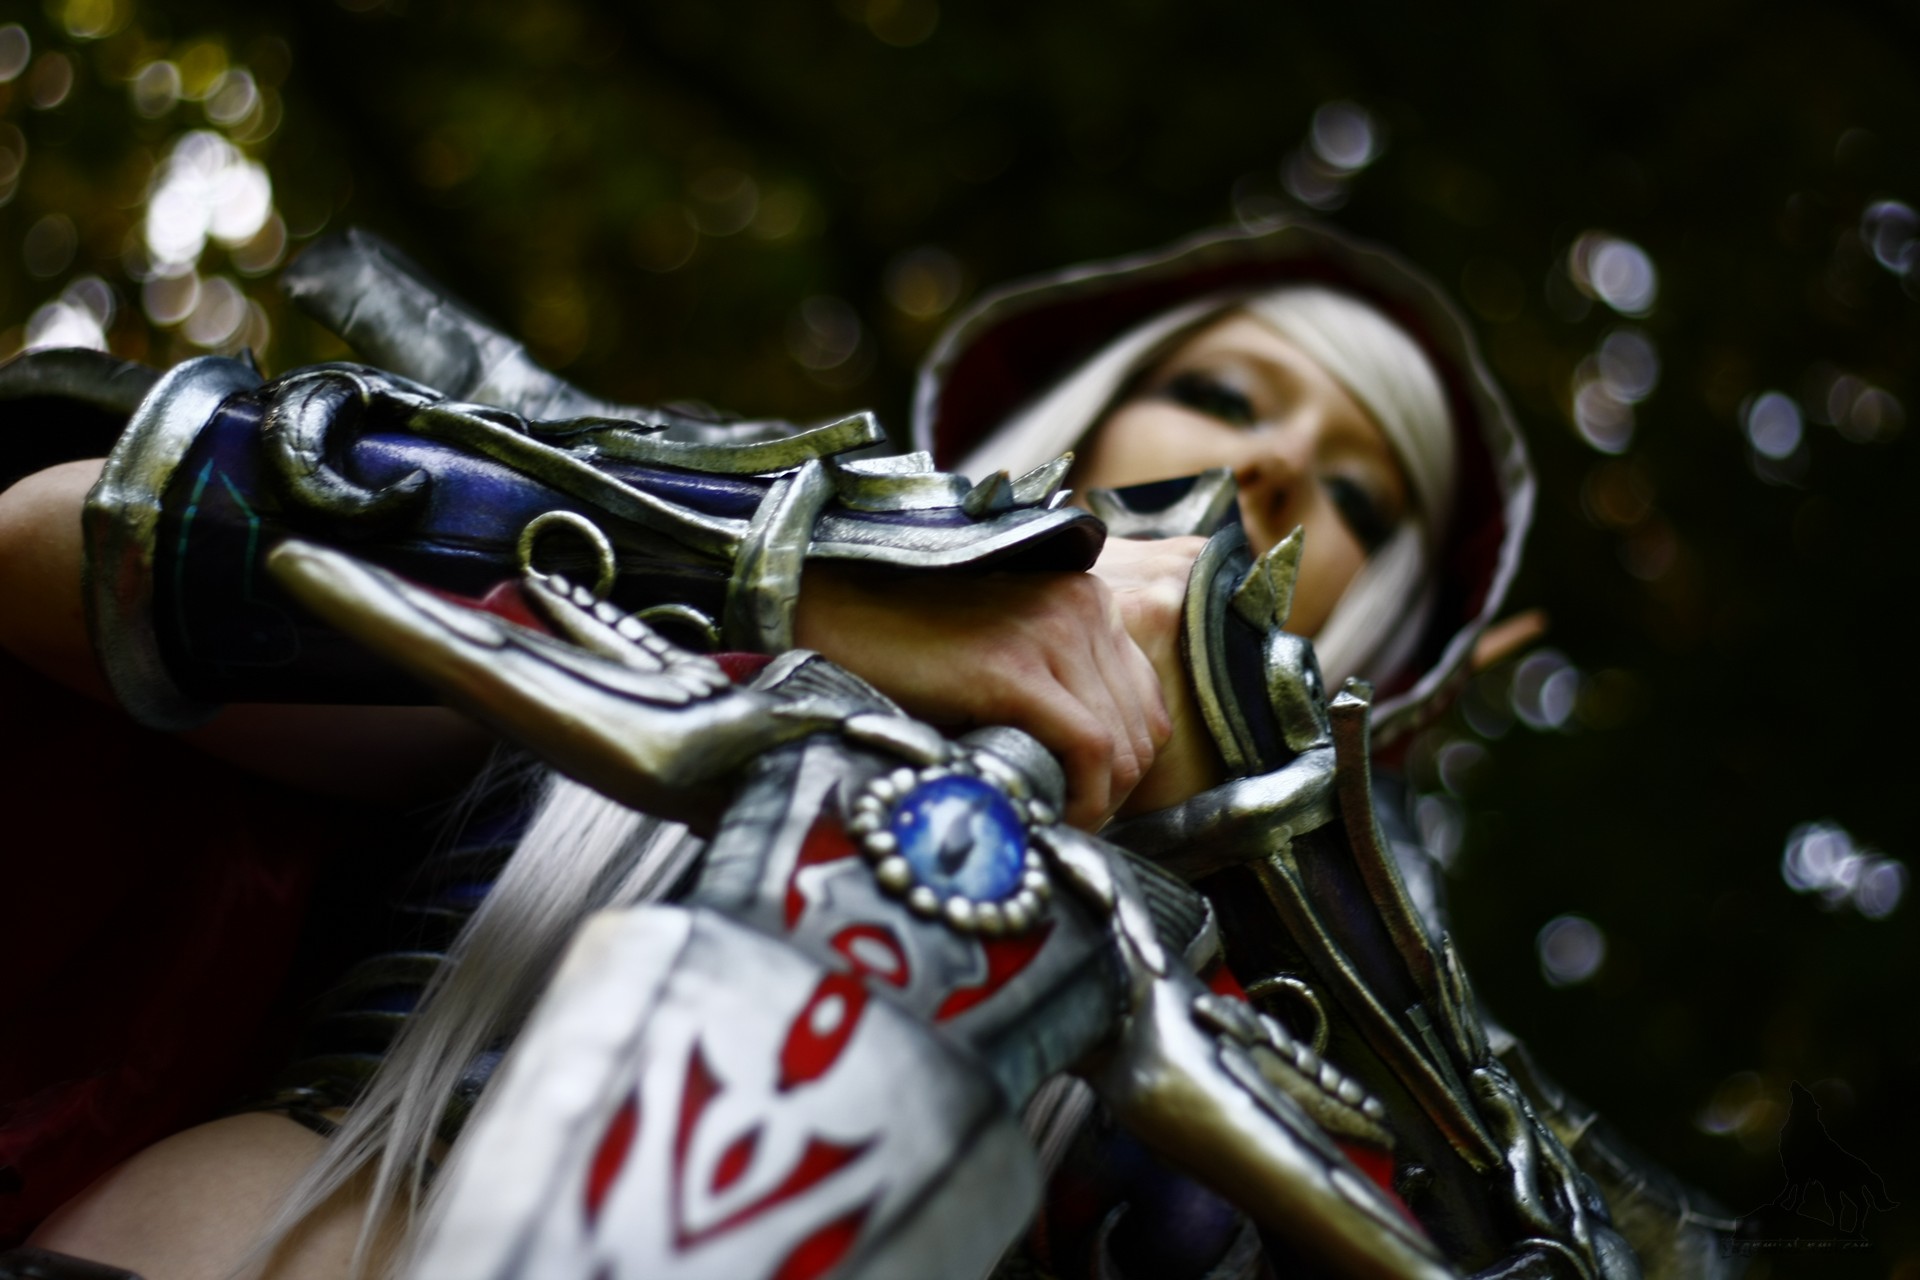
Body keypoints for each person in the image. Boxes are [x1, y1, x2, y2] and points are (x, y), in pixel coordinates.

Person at [0, 220, 1705, 1279]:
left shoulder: (1402, 1085)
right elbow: (62, 542)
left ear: (1393, 645)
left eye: (1360, 498)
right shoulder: (674, 546)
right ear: (1101, 408)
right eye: (1228, 396)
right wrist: (801, 580)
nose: (1271, 475)